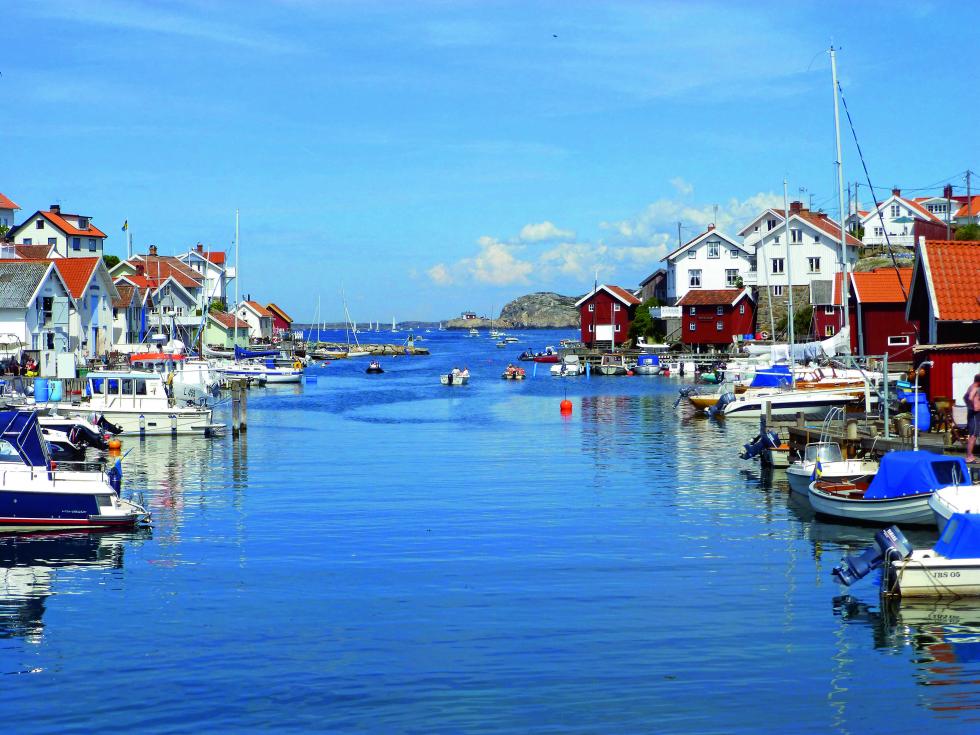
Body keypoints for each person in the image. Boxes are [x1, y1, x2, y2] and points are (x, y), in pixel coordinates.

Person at [966, 373, 980, 463]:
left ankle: (970, 455)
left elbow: (965, 397)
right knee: (973, 436)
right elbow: (970, 397)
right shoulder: (975, 388)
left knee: (973, 435)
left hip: (973, 413)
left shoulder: (971, 386)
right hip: (974, 414)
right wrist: (974, 406)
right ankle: (969, 456)